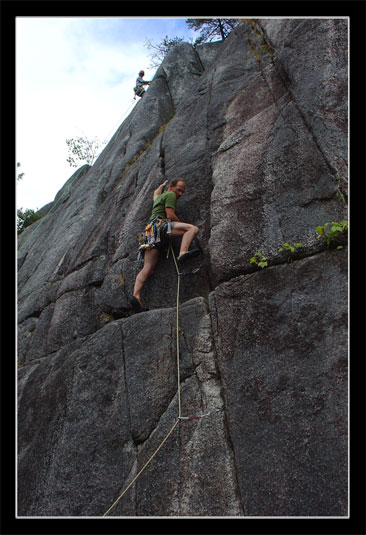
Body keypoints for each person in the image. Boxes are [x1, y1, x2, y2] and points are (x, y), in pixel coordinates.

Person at [130, 178, 200, 313]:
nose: (179, 194)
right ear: (171, 187)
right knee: (192, 229)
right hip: (161, 227)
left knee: (148, 268)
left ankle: (136, 295)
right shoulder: (170, 195)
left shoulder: (158, 198)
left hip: (149, 232)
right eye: (178, 189)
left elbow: (155, 193)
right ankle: (183, 252)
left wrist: (161, 186)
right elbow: (170, 214)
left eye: (182, 192)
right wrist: (180, 224)